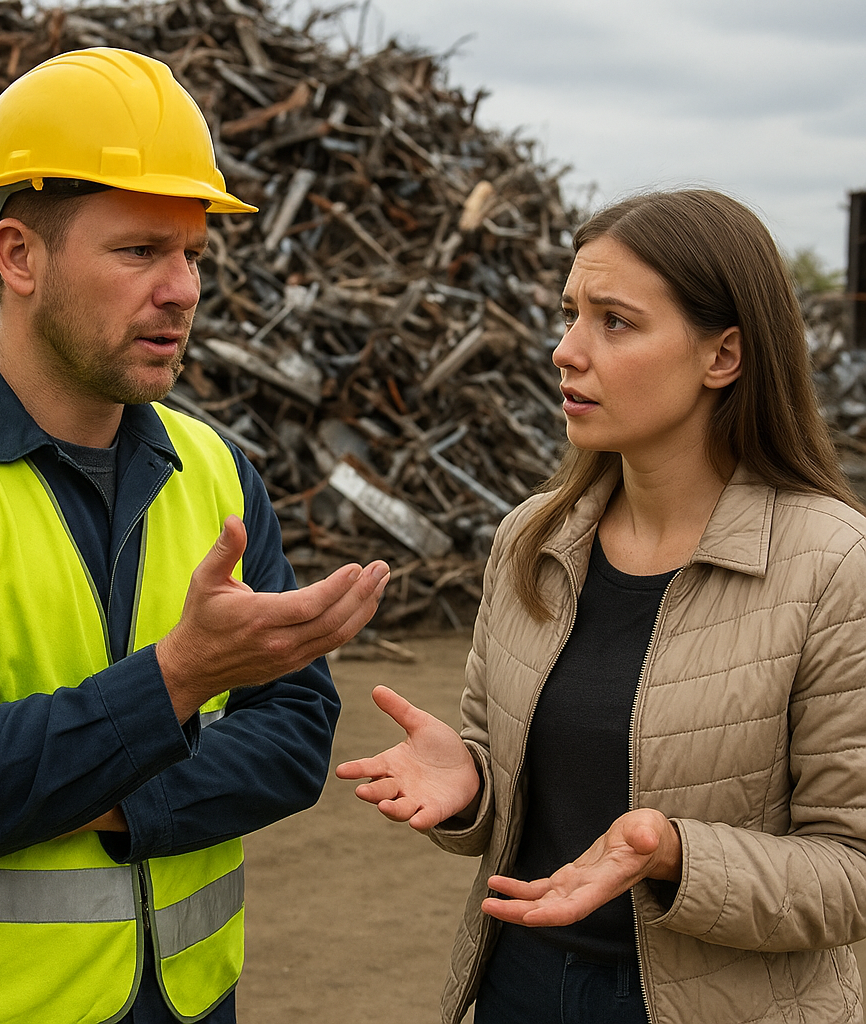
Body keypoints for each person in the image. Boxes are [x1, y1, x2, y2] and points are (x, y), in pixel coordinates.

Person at [0, 47, 389, 1024]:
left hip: (186, 1005)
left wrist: (109, 794)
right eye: (139, 251)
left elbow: (295, 738)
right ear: (19, 256)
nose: (180, 289)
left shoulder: (215, 470)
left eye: (192, 255)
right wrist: (177, 680)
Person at [337, 189, 866, 1024]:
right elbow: (513, 788)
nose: (564, 350)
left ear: (722, 355)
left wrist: (676, 854)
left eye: (614, 321)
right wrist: (473, 785)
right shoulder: (532, 544)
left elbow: (853, 870)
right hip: (520, 986)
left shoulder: (835, 565)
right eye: (570, 314)